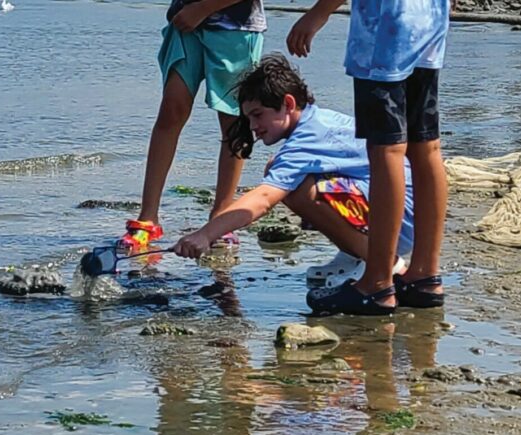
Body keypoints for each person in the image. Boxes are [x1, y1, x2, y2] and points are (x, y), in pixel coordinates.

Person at [173, 56, 416, 280]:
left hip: (397, 218)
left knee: (295, 186)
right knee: (280, 171)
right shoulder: (318, 121)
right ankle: (356, 253)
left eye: (258, 115)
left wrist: (206, 234)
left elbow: (264, 199)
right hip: (402, 209)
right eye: (248, 119)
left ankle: (383, 263)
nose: (253, 126)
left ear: (288, 103)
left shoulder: (305, 140)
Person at [286, 0, 450, 316]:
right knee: (425, 145)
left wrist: (319, 13)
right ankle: (425, 275)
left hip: (385, 27)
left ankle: (376, 283)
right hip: (429, 19)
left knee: (387, 148)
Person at [117, 0, 266, 251]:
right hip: (185, 24)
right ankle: (148, 216)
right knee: (171, 110)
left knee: (234, 121)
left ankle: (221, 214)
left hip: (236, 28)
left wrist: (202, 9)